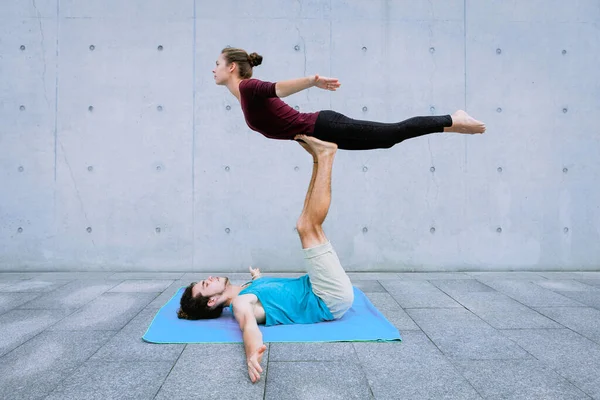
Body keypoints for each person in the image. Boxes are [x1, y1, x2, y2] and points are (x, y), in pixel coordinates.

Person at [177, 135, 353, 383]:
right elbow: (249, 327)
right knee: (307, 226)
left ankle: (317, 158)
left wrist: (257, 278)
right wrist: (252, 354)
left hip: (318, 288)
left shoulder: (248, 289)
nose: (209, 278)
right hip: (327, 298)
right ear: (212, 301)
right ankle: (326, 156)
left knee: (306, 219)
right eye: (206, 285)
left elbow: (268, 298)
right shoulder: (239, 304)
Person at [212, 47, 486, 151]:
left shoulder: (249, 88)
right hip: (319, 134)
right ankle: (451, 124)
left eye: (217, 64)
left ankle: (453, 118)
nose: (214, 69)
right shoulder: (245, 97)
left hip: (324, 126)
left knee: (392, 132)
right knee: (388, 140)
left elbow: (278, 89)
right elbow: (283, 123)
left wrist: (312, 81)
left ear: (231, 67)